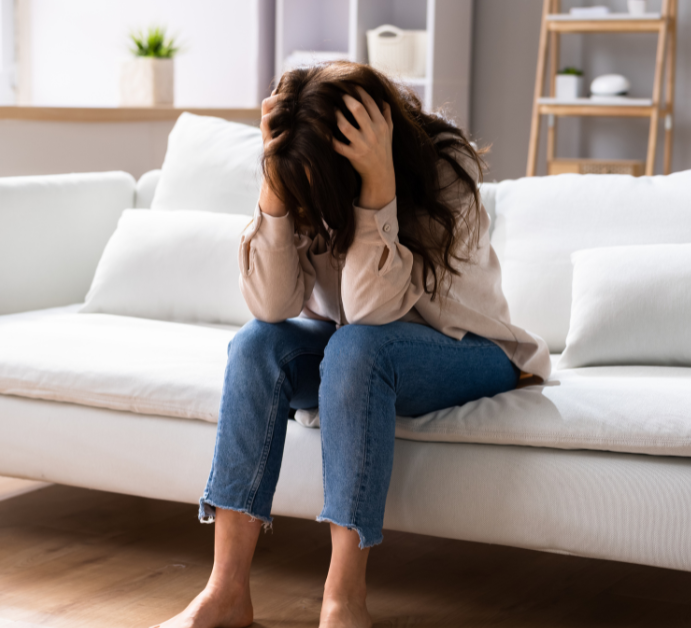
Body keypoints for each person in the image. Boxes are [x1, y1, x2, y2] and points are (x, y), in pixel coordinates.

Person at [155, 61, 550, 628]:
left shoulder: (444, 166)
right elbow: (270, 307)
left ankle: (343, 600)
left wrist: (376, 186)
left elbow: (369, 312)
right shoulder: (301, 165)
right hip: (356, 349)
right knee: (255, 345)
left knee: (357, 350)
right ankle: (226, 592)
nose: (314, 198)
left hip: (472, 351)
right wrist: (274, 180)